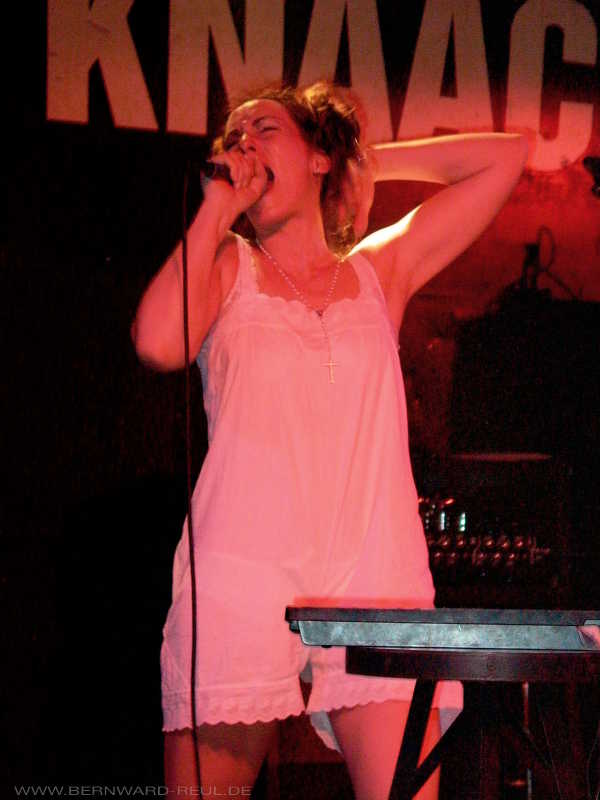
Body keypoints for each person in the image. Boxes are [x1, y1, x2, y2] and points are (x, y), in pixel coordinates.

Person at [132, 81, 528, 799]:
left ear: (317, 156)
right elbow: (158, 342)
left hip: (372, 570)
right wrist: (217, 207)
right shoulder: (228, 267)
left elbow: (508, 157)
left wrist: (366, 160)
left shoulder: (379, 273)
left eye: (264, 129)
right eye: (234, 136)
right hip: (241, 569)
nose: (245, 144)